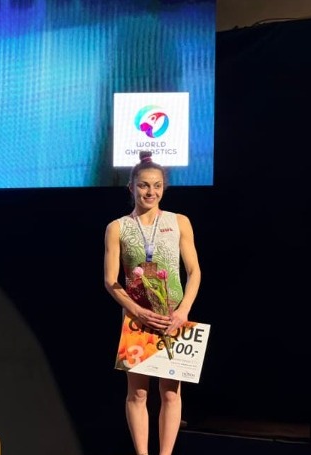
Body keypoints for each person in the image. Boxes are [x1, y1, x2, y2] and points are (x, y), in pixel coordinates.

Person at [103, 151, 201, 455]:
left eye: (157, 185)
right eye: (144, 185)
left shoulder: (179, 222)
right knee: (138, 393)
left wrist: (183, 311)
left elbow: (194, 271)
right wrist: (136, 311)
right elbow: (110, 280)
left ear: (164, 188)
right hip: (137, 320)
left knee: (171, 394)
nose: (150, 192)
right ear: (131, 187)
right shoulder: (117, 227)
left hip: (174, 318)